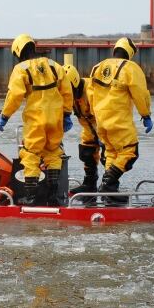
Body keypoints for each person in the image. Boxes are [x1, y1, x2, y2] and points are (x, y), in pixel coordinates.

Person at [0, 33, 73, 206]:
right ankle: (54, 195)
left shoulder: (21, 69)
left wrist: (4, 116)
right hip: (56, 117)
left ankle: (30, 196)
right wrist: (67, 113)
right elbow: (67, 91)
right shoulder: (54, 65)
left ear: (18, 52)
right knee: (53, 152)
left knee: (31, 153)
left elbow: (15, 95)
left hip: (36, 118)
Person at [89, 37, 152, 206]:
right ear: (130, 54)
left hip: (101, 121)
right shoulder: (130, 68)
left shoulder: (97, 67)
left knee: (111, 153)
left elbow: (90, 94)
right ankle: (108, 185)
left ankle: (111, 193)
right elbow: (140, 94)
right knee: (130, 152)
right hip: (119, 120)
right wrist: (146, 115)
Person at [63, 63, 103, 205]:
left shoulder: (91, 90)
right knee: (86, 153)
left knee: (108, 157)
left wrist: (102, 134)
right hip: (87, 127)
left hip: (103, 124)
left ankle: (110, 186)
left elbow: (101, 113)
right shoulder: (69, 95)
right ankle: (90, 184)